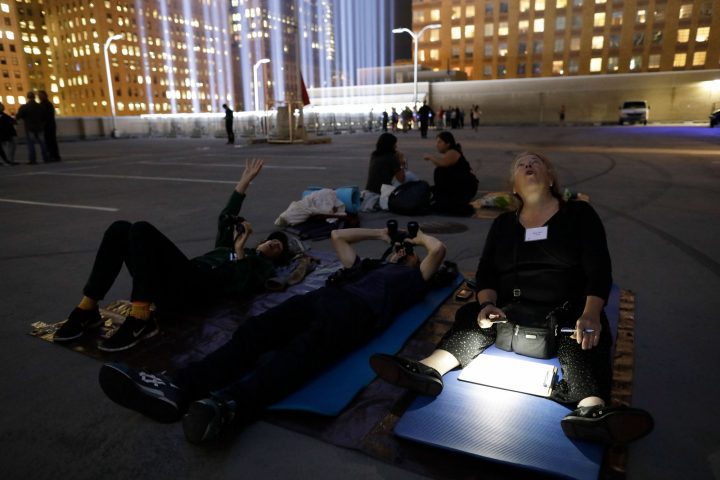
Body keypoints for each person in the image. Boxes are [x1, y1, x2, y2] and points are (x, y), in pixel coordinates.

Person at [370, 152, 654, 446]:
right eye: (521, 164)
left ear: (551, 178)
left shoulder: (578, 214)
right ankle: (428, 369)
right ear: (514, 187)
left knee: (584, 339)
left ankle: (592, 411)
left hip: (568, 311)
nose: (528, 165)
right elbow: (487, 272)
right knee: (471, 319)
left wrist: (592, 312)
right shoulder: (504, 224)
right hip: (510, 312)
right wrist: (487, 304)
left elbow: (599, 268)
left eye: (536, 162)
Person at [98, 224, 447, 444]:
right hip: (322, 298)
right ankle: (178, 387)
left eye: (409, 254)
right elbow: (338, 236)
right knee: (255, 331)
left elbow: (438, 250)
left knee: (300, 354)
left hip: (355, 314)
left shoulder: (413, 281)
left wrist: (416, 240)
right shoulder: (368, 267)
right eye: (403, 251)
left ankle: (228, 404)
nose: (405, 253)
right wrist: (383, 236)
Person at [53, 159, 291, 352]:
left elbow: (242, 288)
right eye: (273, 240)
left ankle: (141, 319)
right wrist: (244, 182)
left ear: (276, 257)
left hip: (195, 290)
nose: (273, 243)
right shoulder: (228, 246)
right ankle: (89, 307)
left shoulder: (262, 267)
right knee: (120, 228)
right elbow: (226, 216)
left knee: (142, 229)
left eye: (278, 247)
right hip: (177, 277)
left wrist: (240, 253)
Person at [423, 131, 479, 216]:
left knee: (439, 172)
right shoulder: (451, 152)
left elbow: (443, 163)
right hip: (462, 187)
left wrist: (430, 157)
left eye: (440, 142)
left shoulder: (453, 152)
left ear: (448, 144)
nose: (437, 145)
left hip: (466, 188)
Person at [15, 91, 49, 164]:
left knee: (31, 144)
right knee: (42, 143)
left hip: (30, 127)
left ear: (27, 97)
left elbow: (18, 116)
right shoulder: (40, 106)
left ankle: (33, 160)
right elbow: (45, 116)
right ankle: (45, 158)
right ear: (34, 97)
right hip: (39, 127)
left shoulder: (24, 107)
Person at [38, 91, 61, 162]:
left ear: (45, 96)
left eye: (41, 95)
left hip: (49, 125)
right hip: (48, 125)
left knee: (51, 141)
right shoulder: (45, 104)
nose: (40, 97)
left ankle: (54, 156)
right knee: (50, 141)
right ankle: (53, 155)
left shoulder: (47, 104)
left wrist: (43, 122)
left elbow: (48, 116)